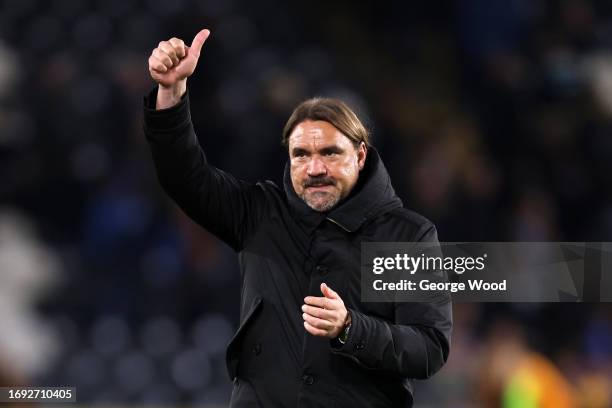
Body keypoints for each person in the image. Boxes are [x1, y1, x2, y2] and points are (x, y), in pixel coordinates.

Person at [143, 28, 452, 408]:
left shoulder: (406, 236)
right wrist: (172, 95)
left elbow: (428, 349)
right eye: (301, 154)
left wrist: (352, 329)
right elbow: (184, 177)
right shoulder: (261, 214)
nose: (314, 167)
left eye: (330, 153)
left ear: (360, 155)